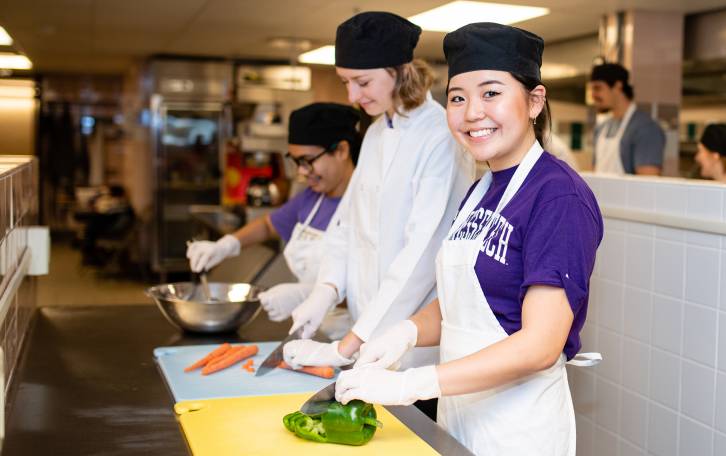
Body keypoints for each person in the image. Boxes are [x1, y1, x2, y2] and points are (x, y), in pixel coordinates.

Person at [333, 22, 603, 456]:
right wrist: (403, 333)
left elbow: (540, 344)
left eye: (491, 92)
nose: (472, 111)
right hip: (459, 414)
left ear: (534, 101)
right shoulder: (481, 188)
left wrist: (413, 382)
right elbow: (466, 302)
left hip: (518, 428)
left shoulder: (557, 196)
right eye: (458, 97)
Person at [275, 12, 473, 393]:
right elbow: (347, 225)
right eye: (345, 82)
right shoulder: (378, 132)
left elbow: (421, 255)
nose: (352, 96)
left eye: (362, 82)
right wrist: (326, 290)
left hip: (410, 346)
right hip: (363, 332)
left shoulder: (439, 136)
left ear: (400, 71)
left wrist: (350, 343)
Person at [186, 103, 360, 318]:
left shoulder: (366, 205)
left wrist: (307, 295)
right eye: (296, 161)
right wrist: (226, 246)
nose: (302, 172)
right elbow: (269, 225)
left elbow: (376, 290)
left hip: (352, 334)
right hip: (312, 328)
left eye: (307, 161)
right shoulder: (312, 198)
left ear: (342, 150)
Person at [589, 62, 665, 175]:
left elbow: (648, 183)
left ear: (618, 86)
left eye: (598, 88)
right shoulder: (601, 128)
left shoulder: (645, 129)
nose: (593, 95)